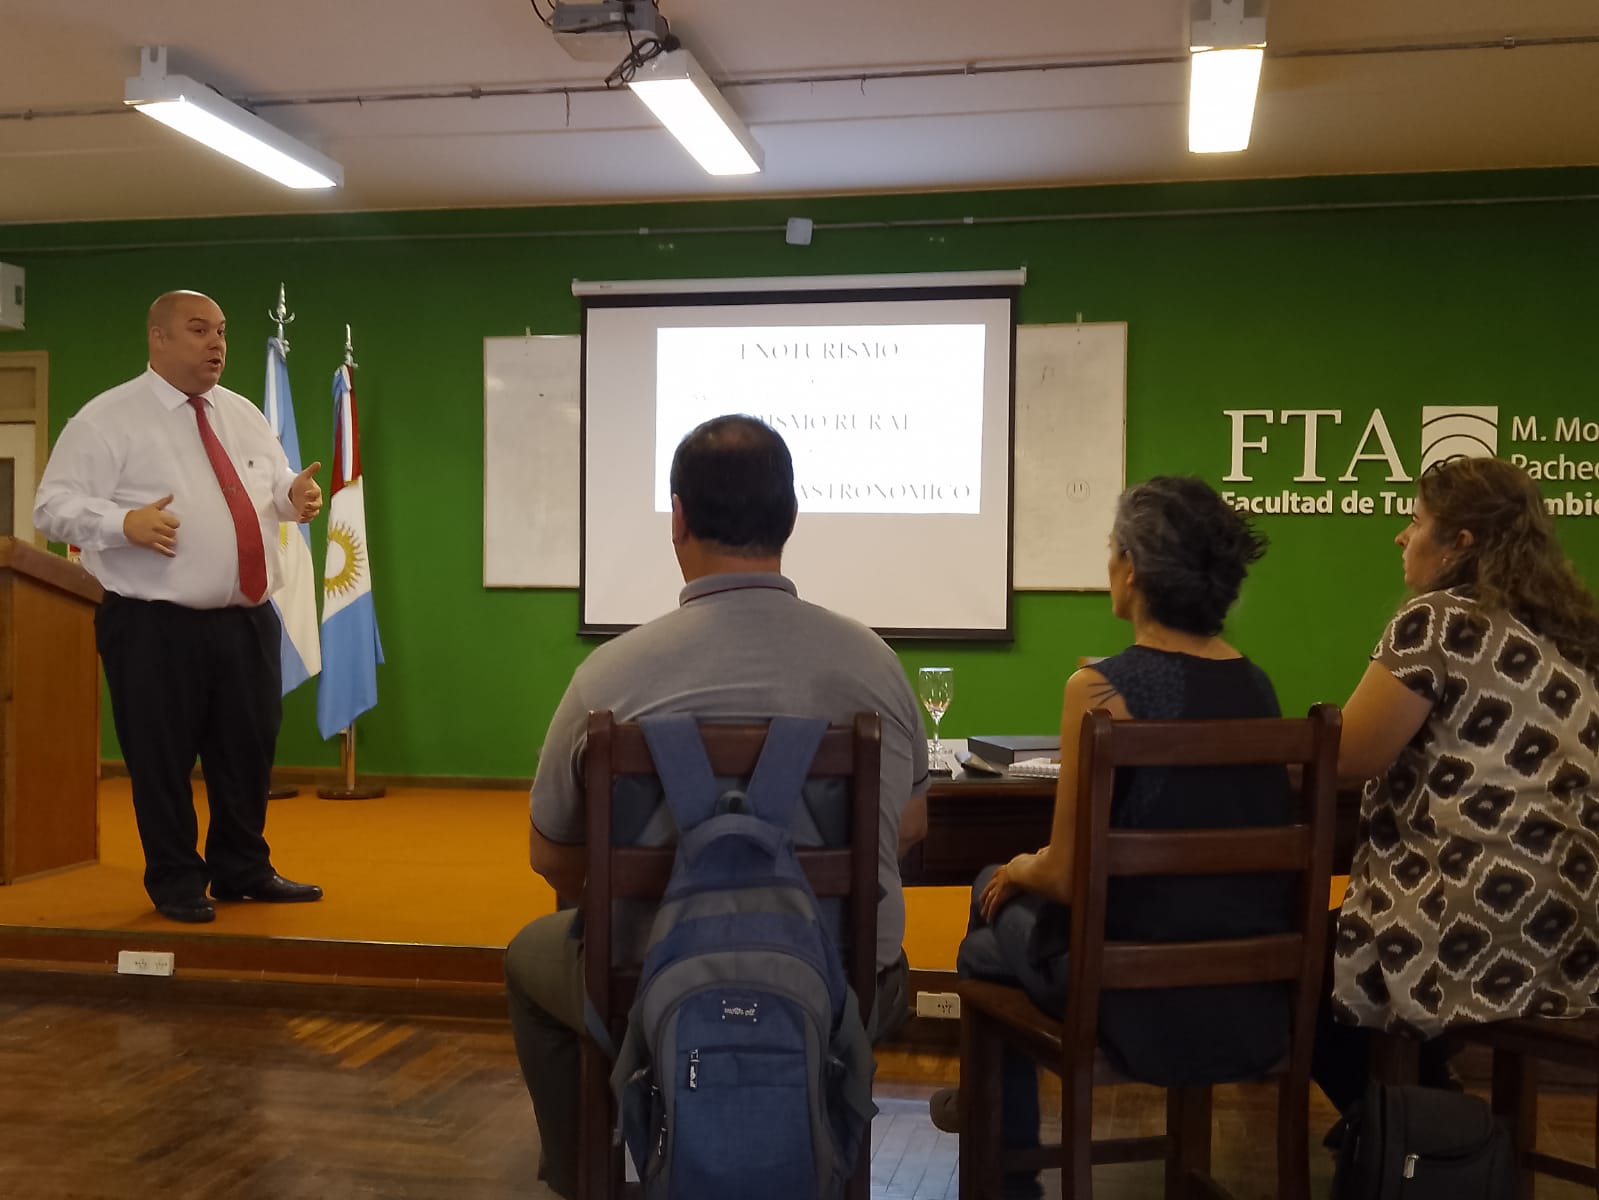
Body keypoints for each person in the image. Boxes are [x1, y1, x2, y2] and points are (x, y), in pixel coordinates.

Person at [504, 414, 928, 1200]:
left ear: (678, 519)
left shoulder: (608, 677)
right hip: (843, 983)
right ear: (790, 516)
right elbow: (908, 826)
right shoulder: (874, 664)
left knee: (529, 958)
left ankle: (586, 1178)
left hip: (644, 980)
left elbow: (550, 855)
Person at [929, 476, 1291, 1200]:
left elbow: (1065, 876)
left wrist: (1018, 867)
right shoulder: (1257, 686)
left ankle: (1005, 1169)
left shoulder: (1099, 689)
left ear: (1132, 569)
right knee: (999, 905)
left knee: (985, 905)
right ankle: (991, 1125)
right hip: (1248, 1001)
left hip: (1130, 1001)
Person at [1315, 455, 1599, 1115]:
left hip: (1466, 913)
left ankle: (1414, 1131)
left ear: (1459, 544)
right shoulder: (1578, 635)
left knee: (1300, 965)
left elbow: (1349, 757)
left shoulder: (1435, 621)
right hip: (1568, 923)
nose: (1400, 536)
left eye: (1415, 523)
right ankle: (1437, 1122)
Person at [33, 290, 325, 924]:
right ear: (158, 338)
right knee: (161, 757)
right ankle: (175, 880)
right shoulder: (107, 419)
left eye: (221, 331)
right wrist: (121, 523)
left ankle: (243, 869)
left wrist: (292, 496)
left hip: (247, 619)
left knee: (247, 751)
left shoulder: (243, 412)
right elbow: (51, 507)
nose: (216, 343)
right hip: (153, 624)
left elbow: (267, 484)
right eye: (198, 330)